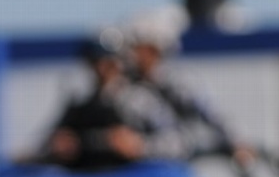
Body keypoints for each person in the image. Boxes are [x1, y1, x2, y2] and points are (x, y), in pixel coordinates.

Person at [122, 6, 257, 166]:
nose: (129, 54)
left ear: (153, 50)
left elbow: (211, 114)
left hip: (177, 170)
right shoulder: (127, 88)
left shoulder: (179, 83)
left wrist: (238, 142)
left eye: (136, 47)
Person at [39, 35, 186, 169]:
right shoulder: (80, 104)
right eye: (95, 62)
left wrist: (140, 146)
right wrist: (59, 145)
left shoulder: (140, 102)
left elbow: (178, 144)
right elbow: (45, 144)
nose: (101, 69)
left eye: (108, 63)